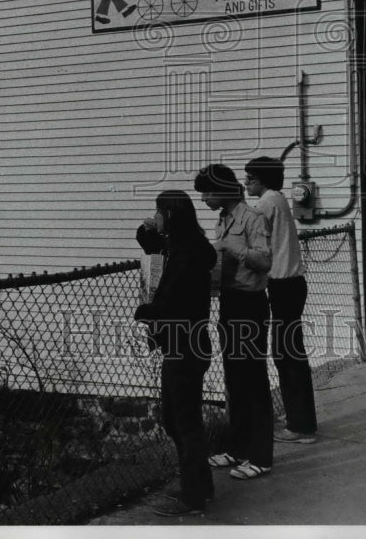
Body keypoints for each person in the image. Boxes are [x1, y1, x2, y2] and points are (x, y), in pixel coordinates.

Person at [134, 190, 218, 517]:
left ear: (169, 215)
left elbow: (171, 302)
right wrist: (148, 230)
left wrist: (146, 311)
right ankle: (202, 486)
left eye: (158, 212)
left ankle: (193, 497)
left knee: (181, 422)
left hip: (183, 346)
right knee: (182, 420)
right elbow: (153, 247)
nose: (155, 215)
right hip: (190, 343)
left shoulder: (185, 255)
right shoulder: (188, 246)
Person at [194, 163, 274, 481]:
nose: (203, 199)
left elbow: (265, 261)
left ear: (223, 190)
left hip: (250, 304)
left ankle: (261, 457)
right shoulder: (223, 220)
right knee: (234, 379)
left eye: (207, 193)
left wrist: (232, 248)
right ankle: (238, 449)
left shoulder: (253, 218)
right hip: (229, 302)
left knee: (253, 380)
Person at [245, 156, 317, 443]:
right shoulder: (278, 199)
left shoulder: (267, 202)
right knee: (290, 354)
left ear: (262, 180)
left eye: (249, 179)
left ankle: (301, 427)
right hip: (291, 284)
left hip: (283, 285)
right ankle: (300, 417)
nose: (245, 183)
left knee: (287, 355)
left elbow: (249, 234)